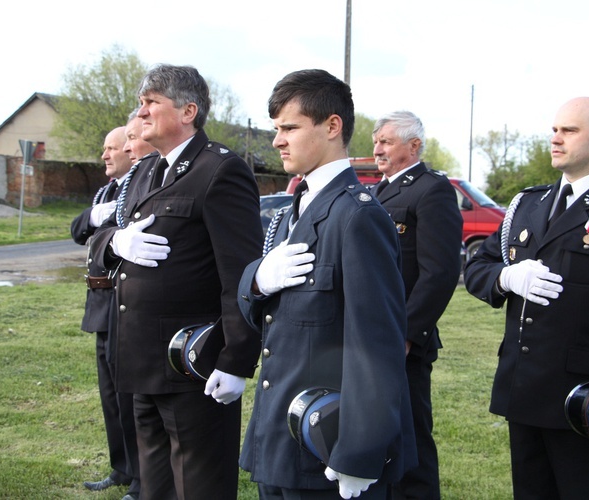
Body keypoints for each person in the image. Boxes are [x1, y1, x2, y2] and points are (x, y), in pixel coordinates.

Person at [464, 97, 589, 498]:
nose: (555, 139)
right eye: (555, 129)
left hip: (585, 400)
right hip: (523, 390)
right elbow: (477, 267)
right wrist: (506, 276)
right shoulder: (528, 204)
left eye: (569, 131)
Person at [237, 69, 417, 500]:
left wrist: (359, 452)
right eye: (275, 129)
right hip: (282, 432)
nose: (278, 140)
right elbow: (267, 317)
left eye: (289, 128)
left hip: (327, 445)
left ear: (332, 126)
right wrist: (258, 280)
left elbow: (377, 345)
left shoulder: (357, 216)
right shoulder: (293, 208)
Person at [90, 64, 263, 500]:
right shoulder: (147, 171)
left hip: (192, 363)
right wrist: (116, 243)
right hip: (141, 359)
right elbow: (103, 235)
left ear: (188, 111)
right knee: (155, 486)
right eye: (141, 102)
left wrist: (235, 359)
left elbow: (241, 276)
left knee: (199, 486)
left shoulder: (219, 170)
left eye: (152, 103)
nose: (141, 112)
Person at [371, 111, 463, 500]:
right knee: (375, 433)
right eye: (376, 142)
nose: (377, 149)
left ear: (413, 146)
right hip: (370, 336)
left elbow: (440, 272)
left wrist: (408, 335)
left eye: (386, 142)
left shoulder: (431, 190)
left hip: (402, 342)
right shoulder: (377, 192)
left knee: (410, 442)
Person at [70, 126, 140, 499]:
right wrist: (97, 215)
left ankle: (144, 476)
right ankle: (122, 467)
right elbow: (78, 228)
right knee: (110, 394)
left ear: (131, 151)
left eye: (112, 148)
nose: (106, 155)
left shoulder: (137, 187)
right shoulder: (108, 192)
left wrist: (104, 223)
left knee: (130, 396)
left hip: (121, 300)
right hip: (99, 303)